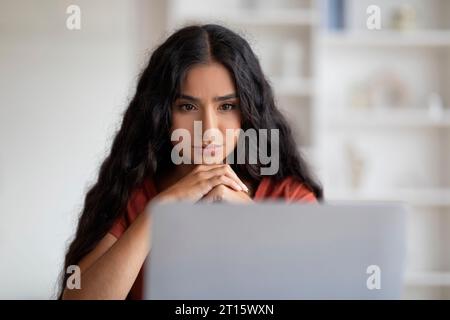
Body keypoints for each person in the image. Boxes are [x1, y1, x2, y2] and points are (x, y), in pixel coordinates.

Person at [59, 24, 323, 299]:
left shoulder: (288, 196)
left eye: (226, 106)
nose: (208, 129)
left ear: (247, 113)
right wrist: (159, 212)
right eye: (187, 107)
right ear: (161, 115)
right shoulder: (132, 196)